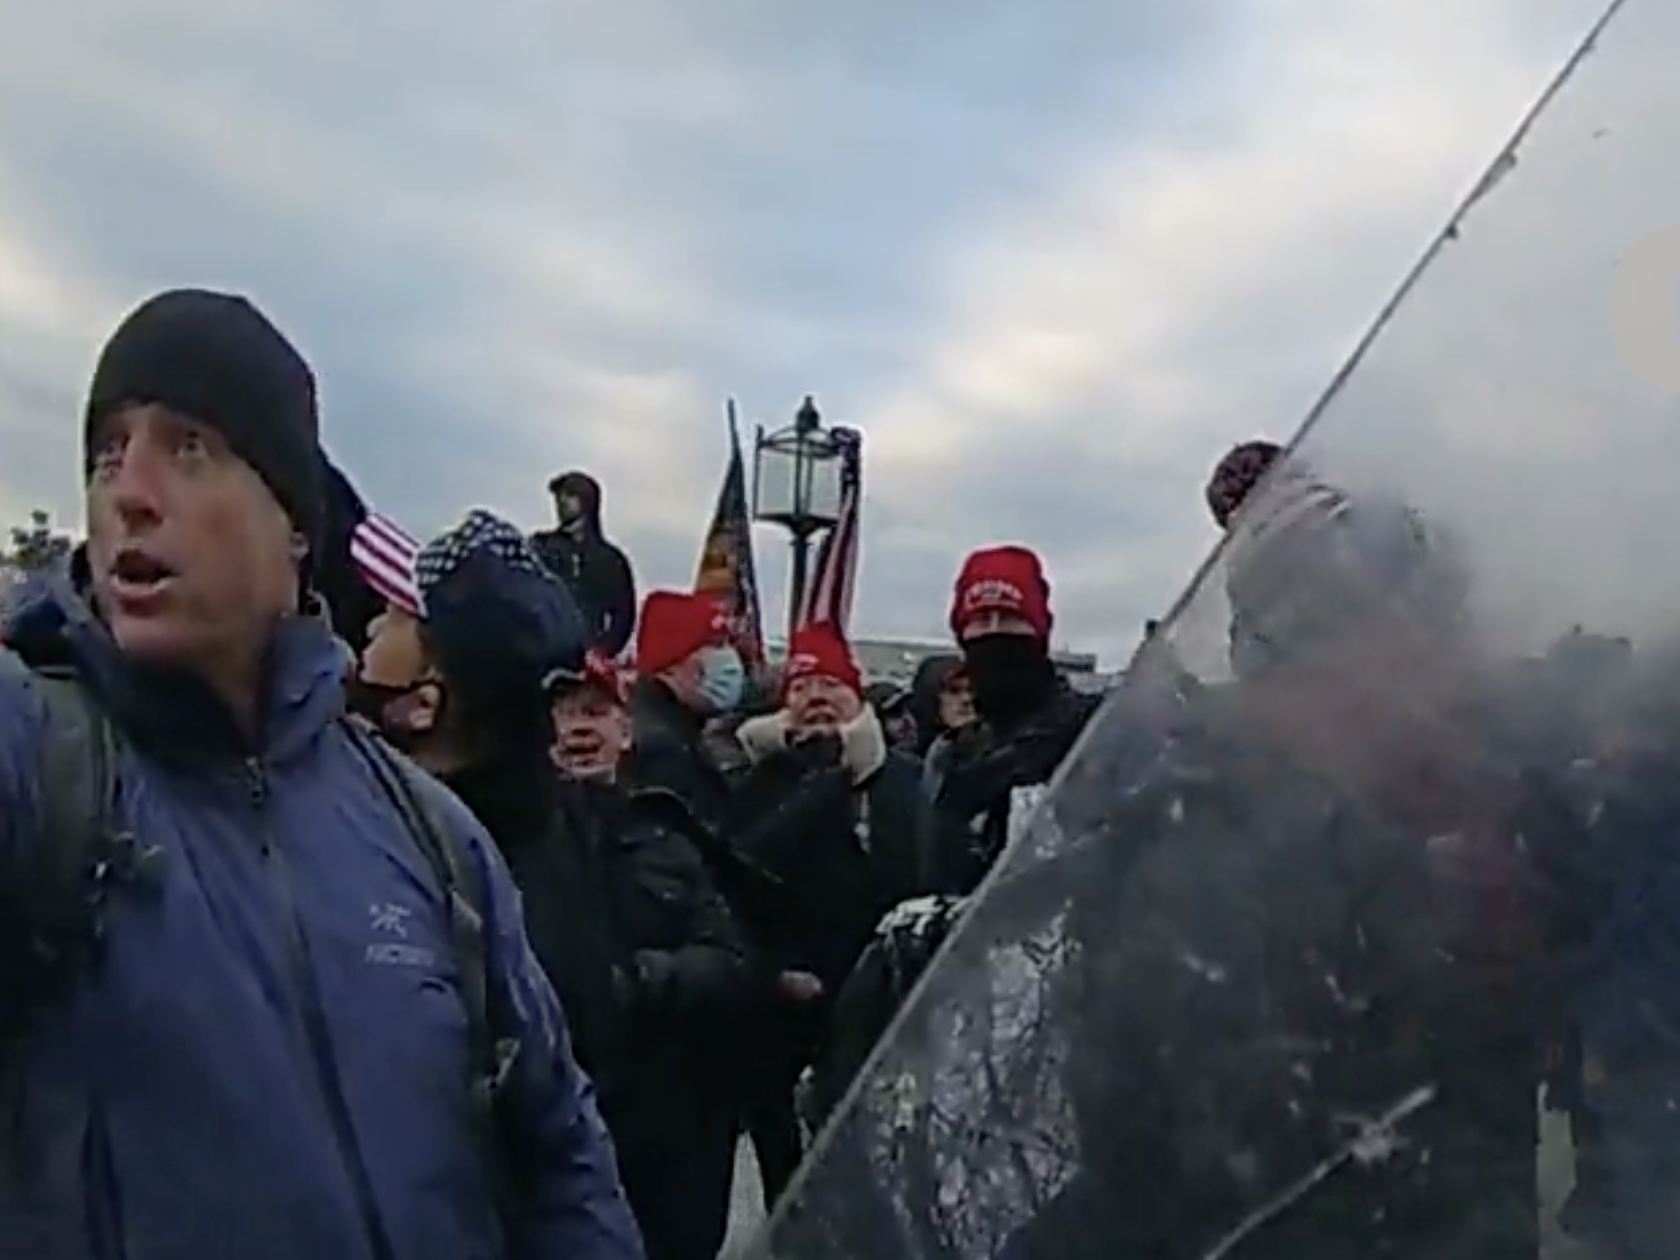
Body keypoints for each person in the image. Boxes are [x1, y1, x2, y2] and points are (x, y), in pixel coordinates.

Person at [0, 288, 642, 1260]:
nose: (127, 490)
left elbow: (559, 1150)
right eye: (106, 452)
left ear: (293, 521)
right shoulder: (41, 765)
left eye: (188, 447)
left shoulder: (432, 838)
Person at [547, 651, 755, 1260]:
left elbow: (731, 960)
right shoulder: (505, 843)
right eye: (563, 714)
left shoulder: (669, 837)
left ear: (625, 730)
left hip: (660, 1135)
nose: (580, 728)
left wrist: (642, 981)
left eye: (595, 712)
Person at [723, 622, 924, 1184]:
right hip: (783, 1012)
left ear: (856, 696)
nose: (815, 698)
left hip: (882, 1011)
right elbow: (736, 879)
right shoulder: (757, 782)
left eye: (829, 684)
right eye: (800, 686)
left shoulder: (903, 783)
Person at [916, 545, 1102, 895]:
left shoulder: (1093, 730)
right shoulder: (952, 757)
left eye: (1010, 618)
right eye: (982, 621)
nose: (995, 633)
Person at [531, 470, 637, 657]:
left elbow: (624, 616)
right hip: (541, 652)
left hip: (589, 658)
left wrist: (603, 652)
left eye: (570, 495)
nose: (562, 501)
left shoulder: (611, 560)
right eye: (559, 496)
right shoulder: (540, 547)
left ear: (588, 501)